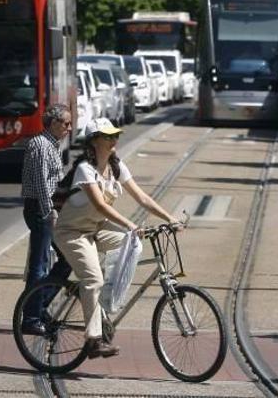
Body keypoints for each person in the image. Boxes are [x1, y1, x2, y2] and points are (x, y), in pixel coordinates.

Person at [53, 118, 181, 359]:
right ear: (94, 141)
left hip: (96, 228)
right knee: (93, 278)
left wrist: (169, 217)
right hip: (71, 232)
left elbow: (142, 197)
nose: (114, 140)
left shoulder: (116, 166)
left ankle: (100, 301)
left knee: (131, 244)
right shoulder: (85, 169)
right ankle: (94, 340)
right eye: (108, 136)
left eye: (115, 136)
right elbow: (100, 205)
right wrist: (130, 224)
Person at [19, 104, 73, 335]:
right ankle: (31, 318)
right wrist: (49, 211)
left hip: (49, 208)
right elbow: (42, 183)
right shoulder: (40, 145)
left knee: (67, 258)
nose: (69, 128)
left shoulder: (52, 145)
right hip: (41, 209)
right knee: (39, 265)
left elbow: (55, 180)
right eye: (66, 123)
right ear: (53, 123)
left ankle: (39, 306)